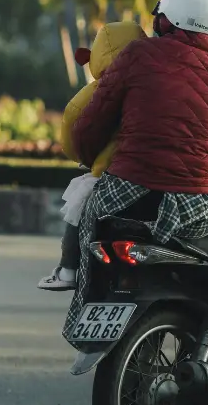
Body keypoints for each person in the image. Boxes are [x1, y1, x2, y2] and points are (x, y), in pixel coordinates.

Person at [61, 0, 208, 336]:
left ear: (165, 22)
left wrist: (91, 160)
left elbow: (92, 124)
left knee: (91, 220)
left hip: (128, 194)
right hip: (199, 209)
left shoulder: (137, 55)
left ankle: (83, 320)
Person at [38, 20, 145, 291]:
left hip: (106, 172)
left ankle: (68, 269)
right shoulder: (152, 85)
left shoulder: (96, 91)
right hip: (148, 172)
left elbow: (72, 130)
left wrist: (83, 156)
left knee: (78, 216)